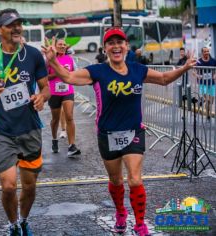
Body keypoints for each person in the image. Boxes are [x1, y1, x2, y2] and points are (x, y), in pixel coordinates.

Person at [42, 28, 196, 236]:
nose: (116, 46)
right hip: (107, 134)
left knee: (134, 179)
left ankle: (140, 223)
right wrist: (52, 61)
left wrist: (184, 67)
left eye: (120, 42)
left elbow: (163, 78)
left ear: (126, 46)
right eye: (111, 43)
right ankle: (121, 212)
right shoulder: (97, 72)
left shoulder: (137, 70)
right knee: (116, 181)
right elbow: (68, 77)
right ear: (105, 48)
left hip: (133, 132)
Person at [0, 8, 50, 236]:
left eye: (19, 24)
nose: (16, 28)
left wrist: (42, 97)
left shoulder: (33, 55)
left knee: (30, 185)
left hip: (30, 128)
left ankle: (24, 220)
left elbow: (46, 87)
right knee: (8, 186)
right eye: (10, 24)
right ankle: (13, 224)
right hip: (2, 131)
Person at [47, 38, 81, 157]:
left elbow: (75, 74)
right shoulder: (50, 59)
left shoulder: (70, 59)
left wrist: (70, 74)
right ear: (55, 46)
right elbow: (46, 77)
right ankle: (54, 139)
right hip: (54, 92)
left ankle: (72, 146)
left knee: (69, 116)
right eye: (59, 44)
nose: (62, 46)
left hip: (68, 91)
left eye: (63, 44)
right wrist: (59, 73)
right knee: (55, 119)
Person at [194, 47, 216, 119]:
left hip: (211, 84)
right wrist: (198, 76)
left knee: (211, 101)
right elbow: (194, 72)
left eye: (207, 51)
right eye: (205, 51)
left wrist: (215, 75)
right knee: (208, 100)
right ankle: (208, 115)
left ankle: (208, 113)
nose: (207, 53)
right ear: (202, 53)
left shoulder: (213, 61)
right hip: (202, 84)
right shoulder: (199, 62)